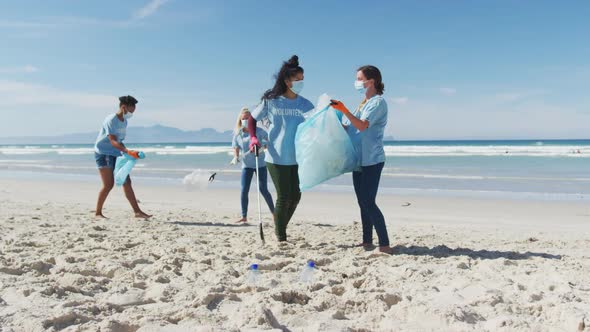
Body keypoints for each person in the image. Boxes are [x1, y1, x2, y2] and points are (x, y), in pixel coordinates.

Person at [248, 55, 314, 242]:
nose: (301, 82)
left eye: (302, 79)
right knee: (284, 196)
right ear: (287, 81)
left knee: (296, 196)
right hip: (276, 156)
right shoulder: (272, 101)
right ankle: (281, 236)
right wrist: (253, 137)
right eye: (297, 79)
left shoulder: (305, 104)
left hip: (298, 157)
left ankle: (280, 226)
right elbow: (252, 118)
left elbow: (317, 124)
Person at [331, 65, 393, 254]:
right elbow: (349, 127)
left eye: (360, 79)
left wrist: (344, 109)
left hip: (372, 160)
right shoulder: (363, 104)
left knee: (368, 201)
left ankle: (385, 244)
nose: (357, 82)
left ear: (371, 81)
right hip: (359, 160)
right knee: (362, 201)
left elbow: (363, 126)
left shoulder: (377, 103)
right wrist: (334, 116)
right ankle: (367, 241)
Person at [94, 95, 151, 219]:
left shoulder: (124, 121)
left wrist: (128, 153)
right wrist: (126, 151)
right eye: (130, 111)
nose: (131, 114)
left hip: (117, 153)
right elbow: (113, 141)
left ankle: (137, 212)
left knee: (127, 181)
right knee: (108, 185)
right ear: (123, 107)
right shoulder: (111, 120)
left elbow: (119, 141)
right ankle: (98, 213)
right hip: (104, 153)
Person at [232, 107, 275, 223]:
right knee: (244, 190)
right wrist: (235, 157)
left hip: (259, 164)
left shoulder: (259, 131)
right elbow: (236, 147)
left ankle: (274, 214)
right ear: (240, 120)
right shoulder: (238, 134)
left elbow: (267, 144)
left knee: (263, 189)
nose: (246, 120)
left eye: (248, 118)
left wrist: (261, 149)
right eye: (244, 118)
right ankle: (244, 216)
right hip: (246, 165)